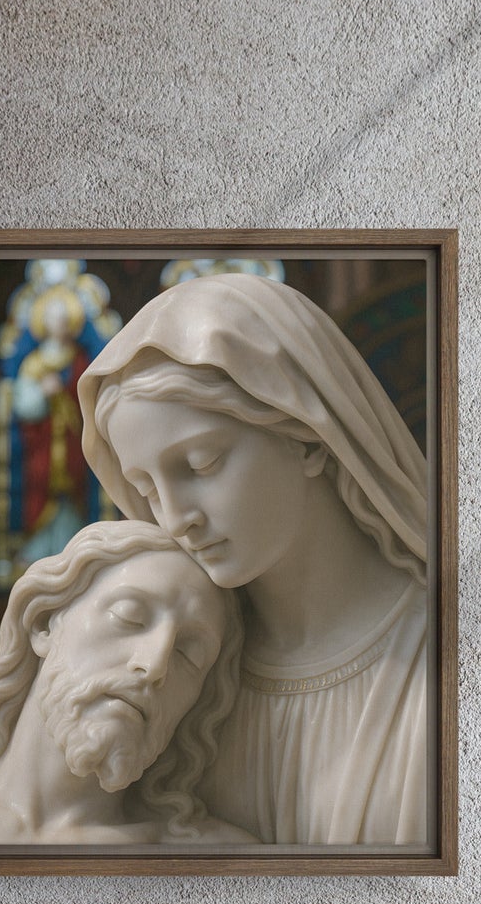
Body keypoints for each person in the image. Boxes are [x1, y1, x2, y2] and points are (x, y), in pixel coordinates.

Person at [78, 274, 429, 846]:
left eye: (200, 464)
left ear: (307, 438)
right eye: (145, 489)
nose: (175, 518)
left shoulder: (456, 660)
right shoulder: (168, 679)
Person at [0, 520, 254, 845]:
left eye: (190, 654)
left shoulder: (211, 855)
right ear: (44, 623)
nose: (154, 665)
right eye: (129, 615)